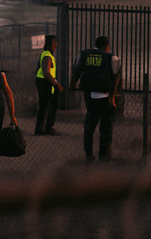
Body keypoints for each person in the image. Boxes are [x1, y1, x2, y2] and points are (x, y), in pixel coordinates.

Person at [70, 35, 122, 163]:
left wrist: (72, 88)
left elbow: (76, 72)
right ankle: (104, 157)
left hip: (90, 97)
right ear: (107, 46)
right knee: (106, 128)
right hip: (106, 99)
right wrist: (112, 97)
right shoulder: (111, 58)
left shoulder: (84, 55)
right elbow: (116, 77)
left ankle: (89, 155)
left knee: (89, 128)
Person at [34, 34, 63, 136]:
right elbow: (46, 73)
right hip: (45, 83)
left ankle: (44, 127)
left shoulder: (48, 55)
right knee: (46, 106)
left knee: (48, 106)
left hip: (46, 83)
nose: (56, 45)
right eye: (54, 43)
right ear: (50, 44)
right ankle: (44, 128)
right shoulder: (47, 55)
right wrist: (56, 84)